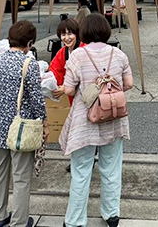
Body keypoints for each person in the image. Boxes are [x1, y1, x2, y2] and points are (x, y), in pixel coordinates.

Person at [60, 14, 133, 227]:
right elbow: (128, 84)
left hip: (85, 121)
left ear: (84, 32)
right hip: (114, 118)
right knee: (111, 168)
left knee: (81, 171)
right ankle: (111, 214)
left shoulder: (78, 56)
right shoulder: (119, 54)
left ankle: (74, 221)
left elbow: (70, 89)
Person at [0, 20, 46, 227]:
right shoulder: (29, 65)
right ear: (29, 42)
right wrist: (44, 123)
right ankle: (19, 221)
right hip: (20, 129)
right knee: (20, 177)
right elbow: (37, 100)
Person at [49, 18, 82, 104]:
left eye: (70, 34)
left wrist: (67, 86)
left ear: (76, 34)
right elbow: (54, 71)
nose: (66, 38)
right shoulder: (62, 52)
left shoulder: (84, 50)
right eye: (63, 34)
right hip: (71, 96)